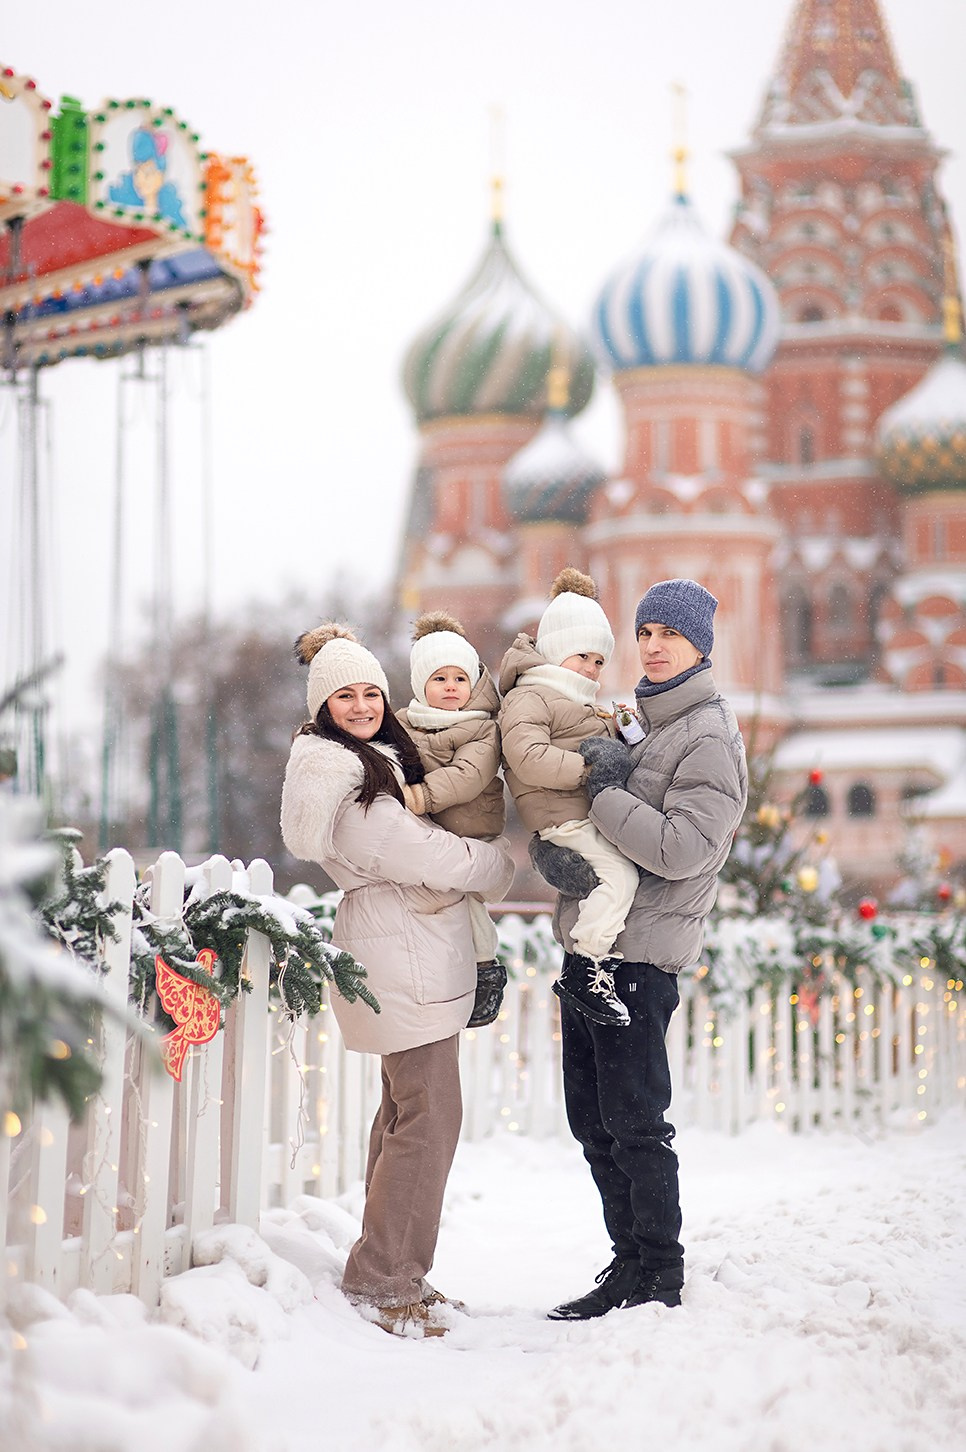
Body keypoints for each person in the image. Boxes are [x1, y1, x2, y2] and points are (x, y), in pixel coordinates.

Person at [280, 623, 514, 1339]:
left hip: (405, 954)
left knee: (404, 1114)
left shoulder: (369, 767)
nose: (361, 706)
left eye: (371, 692)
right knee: (429, 1118)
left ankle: (391, 1270)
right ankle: (384, 1283)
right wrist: (497, 863)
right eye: (344, 696)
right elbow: (438, 858)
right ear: (323, 708)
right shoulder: (350, 785)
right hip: (401, 959)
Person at [542, 578, 748, 1319]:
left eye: (671, 635)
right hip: (593, 953)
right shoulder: (644, 724)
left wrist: (600, 792)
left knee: (635, 1121)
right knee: (592, 1121)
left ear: (700, 646)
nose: (655, 646)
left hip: (641, 959)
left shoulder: (708, 737)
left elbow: (682, 847)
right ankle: (626, 1260)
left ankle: (659, 1272)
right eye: (646, 633)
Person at [499, 568, 640, 1028]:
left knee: (619, 875)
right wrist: (589, 770)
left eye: (600, 661)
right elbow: (526, 755)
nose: (591, 669)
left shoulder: (577, 700)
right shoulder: (531, 696)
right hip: (562, 817)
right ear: (558, 650)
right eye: (583, 656)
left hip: (581, 816)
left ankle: (599, 956)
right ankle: (586, 965)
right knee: (619, 878)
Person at [395, 610, 508, 1028]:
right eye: (439, 679)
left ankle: (485, 970)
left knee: (470, 908)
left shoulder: (481, 727)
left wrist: (419, 796)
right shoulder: (405, 723)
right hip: (429, 833)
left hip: (471, 830)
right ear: (421, 685)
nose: (450, 688)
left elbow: (468, 776)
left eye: (460, 679)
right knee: (436, 908)